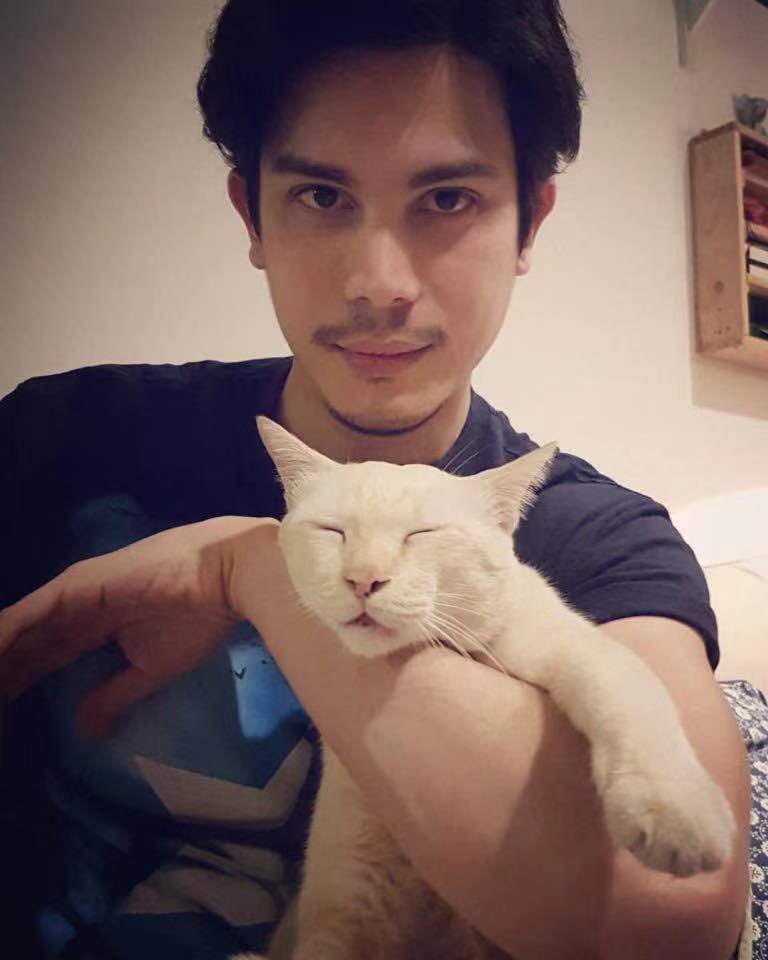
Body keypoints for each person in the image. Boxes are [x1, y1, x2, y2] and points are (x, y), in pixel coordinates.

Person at [0, 2, 756, 958]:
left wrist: (248, 566)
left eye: (447, 200)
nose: (379, 284)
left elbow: (678, 917)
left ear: (529, 222)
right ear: (251, 214)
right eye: (323, 196)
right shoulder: (65, 435)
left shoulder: (594, 538)